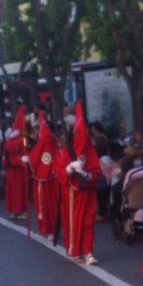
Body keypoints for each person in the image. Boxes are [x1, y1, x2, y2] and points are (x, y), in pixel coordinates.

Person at [57, 103, 101, 264]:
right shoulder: (65, 151)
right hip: (72, 195)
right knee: (75, 224)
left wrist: (85, 173)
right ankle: (78, 249)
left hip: (88, 193)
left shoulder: (91, 151)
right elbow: (60, 173)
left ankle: (88, 251)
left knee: (89, 222)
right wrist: (69, 169)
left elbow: (96, 173)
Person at [26, 110, 59, 238]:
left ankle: (51, 228)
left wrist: (27, 160)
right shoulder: (52, 145)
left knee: (48, 206)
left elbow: (33, 161)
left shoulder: (46, 146)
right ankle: (50, 228)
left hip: (48, 182)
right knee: (48, 206)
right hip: (47, 182)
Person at [3, 107, 30, 219]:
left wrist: (24, 157)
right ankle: (15, 209)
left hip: (18, 169)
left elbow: (25, 150)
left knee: (19, 190)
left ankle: (20, 209)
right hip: (14, 168)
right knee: (14, 190)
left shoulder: (21, 138)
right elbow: (9, 152)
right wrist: (20, 159)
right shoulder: (13, 140)